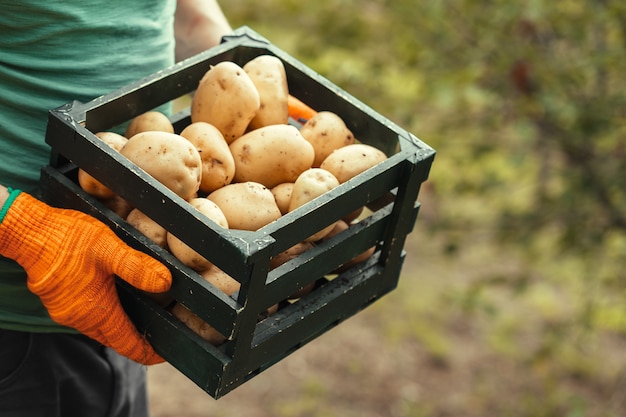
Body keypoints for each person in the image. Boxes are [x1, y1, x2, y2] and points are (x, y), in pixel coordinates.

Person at [0, 1, 232, 416]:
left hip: (126, 283)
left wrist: (235, 70)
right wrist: (20, 229)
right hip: (13, 327)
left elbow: (178, 13)